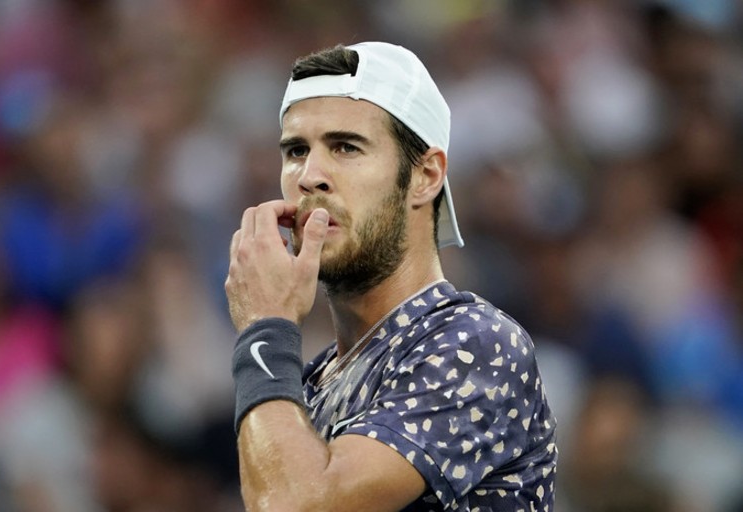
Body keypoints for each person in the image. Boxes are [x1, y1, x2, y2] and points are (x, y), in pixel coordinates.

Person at [225, 41, 557, 512]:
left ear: (426, 176)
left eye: (345, 147)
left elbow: (294, 505)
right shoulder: (308, 382)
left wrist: (264, 326)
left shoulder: (479, 345)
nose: (310, 176)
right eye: (296, 150)